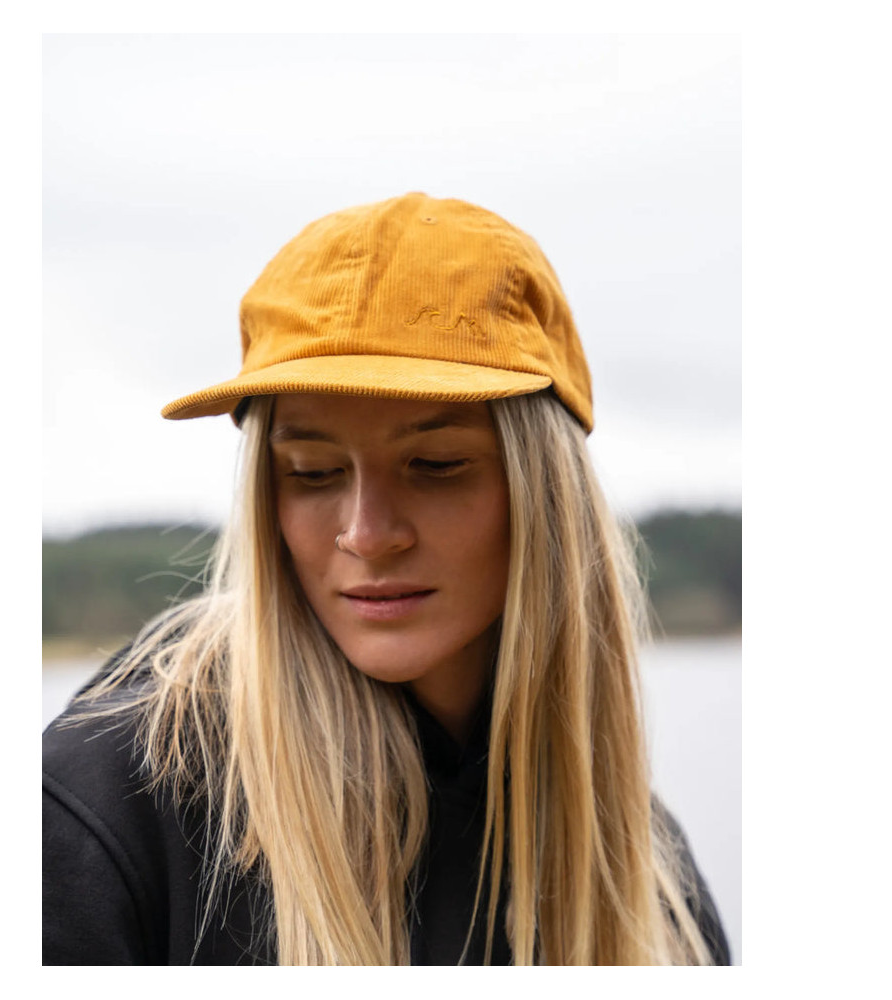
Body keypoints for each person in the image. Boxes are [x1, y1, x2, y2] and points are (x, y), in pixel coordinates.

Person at [42, 192, 731, 966]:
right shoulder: (108, 805)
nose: (366, 535)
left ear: (547, 494)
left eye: (436, 465)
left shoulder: (643, 873)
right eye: (312, 471)